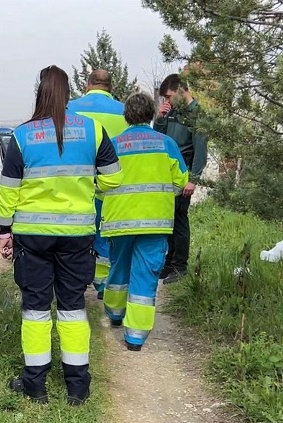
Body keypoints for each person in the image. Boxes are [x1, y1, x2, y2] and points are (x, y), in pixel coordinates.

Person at [0, 66, 123, 405]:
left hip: (32, 237)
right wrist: (87, 185)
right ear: (70, 94)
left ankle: (35, 386)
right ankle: (77, 389)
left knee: (35, 310)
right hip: (77, 235)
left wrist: (4, 230)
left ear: (39, 92)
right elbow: (113, 180)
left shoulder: (22, 136)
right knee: (72, 309)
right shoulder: (93, 130)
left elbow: (8, 190)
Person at [102, 93, 189, 350]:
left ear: (126, 115)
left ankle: (115, 314)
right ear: (151, 114)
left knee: (118, 267)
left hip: (119, 221)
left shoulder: (113, 145)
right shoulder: (167, 144)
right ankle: (135, 337)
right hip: (155, 221)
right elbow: (181, 181)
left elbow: (100, 184)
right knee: (145, 275)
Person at [67, 70, 128, 300]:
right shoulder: (125, 112)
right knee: (106, 237)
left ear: (87, 84)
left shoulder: (70, 108)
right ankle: (103, 284)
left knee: (80, 235)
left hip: (78, 185)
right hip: (113, 186)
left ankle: (77, 281)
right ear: (110, 87)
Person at [153, 72, 208, 284]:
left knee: (180, 220)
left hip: (183, 171)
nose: (167, 101)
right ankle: (169, 263)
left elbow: (200, 150)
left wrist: (193, 179)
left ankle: (180, 266)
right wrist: (159, 118)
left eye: (168, 97)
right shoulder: (171, 113)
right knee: (169, 219)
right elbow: (158, 138)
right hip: (166, 172)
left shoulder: (196, 114)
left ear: (180, 90)